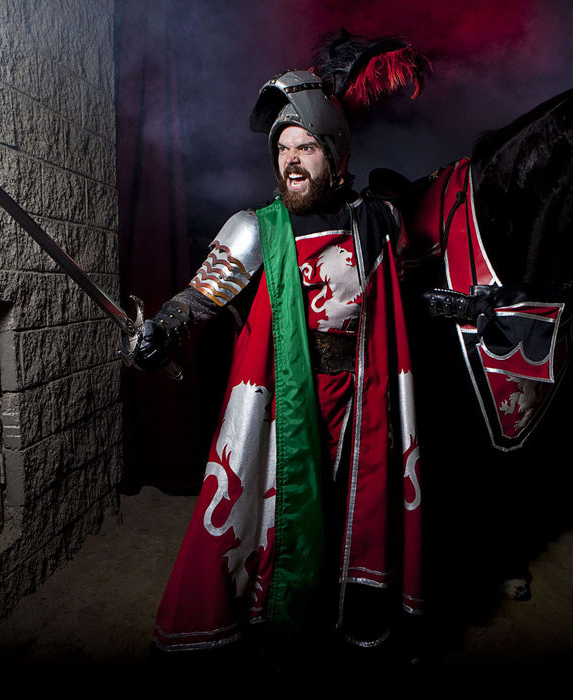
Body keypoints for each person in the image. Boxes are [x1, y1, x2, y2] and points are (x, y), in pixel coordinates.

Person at [135, 69, 423, 660]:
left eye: (307, 147)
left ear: (336, 156)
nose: (292, 161)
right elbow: (201, 295)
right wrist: (162, 328)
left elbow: (417, 262)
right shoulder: (256, 228)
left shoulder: (376, 223)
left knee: (356, 520)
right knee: (283, 526)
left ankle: (351, 628)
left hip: (363, 398)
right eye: (283, 148)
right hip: (286, 409)